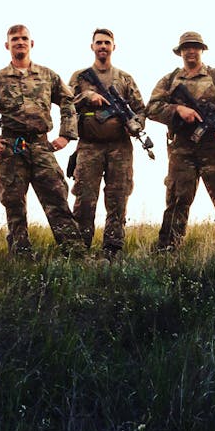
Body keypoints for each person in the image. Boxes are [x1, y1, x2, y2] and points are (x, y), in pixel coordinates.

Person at [0, 24, 81, 255]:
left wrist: (65, 135)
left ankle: (74, 254)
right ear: (7, 45)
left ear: (31, 43)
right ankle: (20, 255)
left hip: (42, 146)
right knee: (13, 204)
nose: (20, 42)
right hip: (11, 148)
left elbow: (67, 101)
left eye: (24, 38)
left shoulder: (47, 76)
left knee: (57, 199)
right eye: (14, 39)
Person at [147, 31, 215, 257]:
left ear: (202, 50)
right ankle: (166, 253)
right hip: (181, 151)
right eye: (186, 47)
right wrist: (178, 110)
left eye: (195, 47)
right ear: (180, 52)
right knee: (177, 202)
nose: (191, 51)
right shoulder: (170, 80)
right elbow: (152, 108)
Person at [68, 28, 147, 258]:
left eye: (107, 43)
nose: (103, 46)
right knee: (84, 198)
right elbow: (66, 103)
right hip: (89, 146)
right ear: (92, 46)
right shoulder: (80, 77)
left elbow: (141, 110)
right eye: (99, 43)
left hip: (120, 147)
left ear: (114, 47)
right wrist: (87, 97)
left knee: (118, 198)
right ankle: (80, 249)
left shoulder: (124, 79)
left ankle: (112, 249)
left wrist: (135, 125)